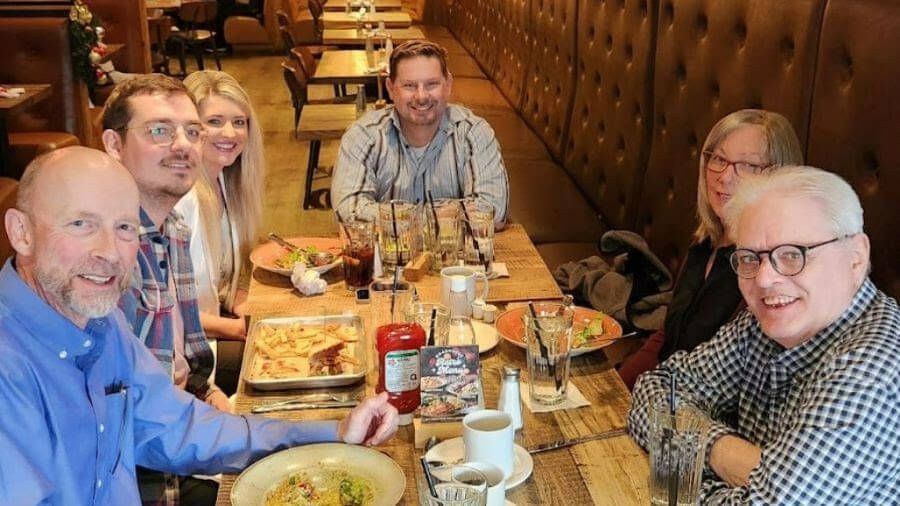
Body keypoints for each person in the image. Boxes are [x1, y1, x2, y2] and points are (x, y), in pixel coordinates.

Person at [0, 146, 398, 505]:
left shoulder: (102, 325)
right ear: (21, 232)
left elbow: (180, 429)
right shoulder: (9, 368)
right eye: (80, 225)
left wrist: (332, 432)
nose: (108, 252)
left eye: (124, 228)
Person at [628, 166, 899, 503]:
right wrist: (721, 449)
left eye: (792, 255)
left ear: (856, 258)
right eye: (749, 258)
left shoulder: (871, 374)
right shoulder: (767, 323)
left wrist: (679, 464)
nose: (765, 279)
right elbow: (656, 387)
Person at [99, 73, 226, 504]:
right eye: (159, 131)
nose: (183, 144)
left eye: (193, 132)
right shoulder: (107, 257)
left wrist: (207, 394)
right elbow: (123, 420)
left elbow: (182, 363)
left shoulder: (170, 227)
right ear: (114, 145)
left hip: (177, 446)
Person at [617, 109, 803, 390]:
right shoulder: (706, 242)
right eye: (719, 159)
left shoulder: (767, 275)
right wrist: (615, 389)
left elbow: (728, 390)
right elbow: (667, 337)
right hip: (660, 391)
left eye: (748, 166)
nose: (725, 177)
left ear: (779, 176)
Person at [331, 40, 509, 227]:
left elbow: (493, 211)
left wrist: (393, 217)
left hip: (454, 255)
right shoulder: (363, 136)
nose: (421, 96)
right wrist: (446, 215)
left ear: (448, 85)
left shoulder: (474, 133)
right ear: (391, 89)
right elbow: (348, 211)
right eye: (409, 86)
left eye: (431, 84)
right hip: (386, 255)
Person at [175, 70, 263, 397]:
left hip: (210, 328)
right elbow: (169, 310)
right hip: (186, 355)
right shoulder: (184, 200)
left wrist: (240, 301)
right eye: (214, 121)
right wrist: (237, 328)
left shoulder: (225, 180)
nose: (230, 133)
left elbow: (221, 280)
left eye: (239, 122)